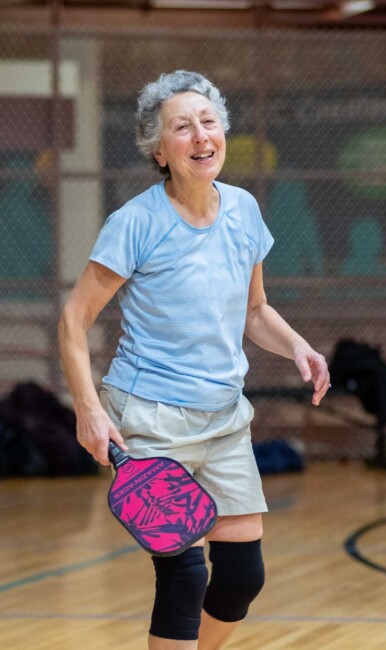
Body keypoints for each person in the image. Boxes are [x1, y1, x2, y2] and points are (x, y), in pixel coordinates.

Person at [58, 70, 330, 650]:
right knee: (184, 578)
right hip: (151, 417)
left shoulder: (244, 210)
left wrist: (299, 346)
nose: (200, 135)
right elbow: (73, 320)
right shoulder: (135, 223)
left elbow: (254, 311)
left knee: (241, 579)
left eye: (209, 122)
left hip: (225, 418)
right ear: (159, 150)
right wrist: (88, 409)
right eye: (182, 127)